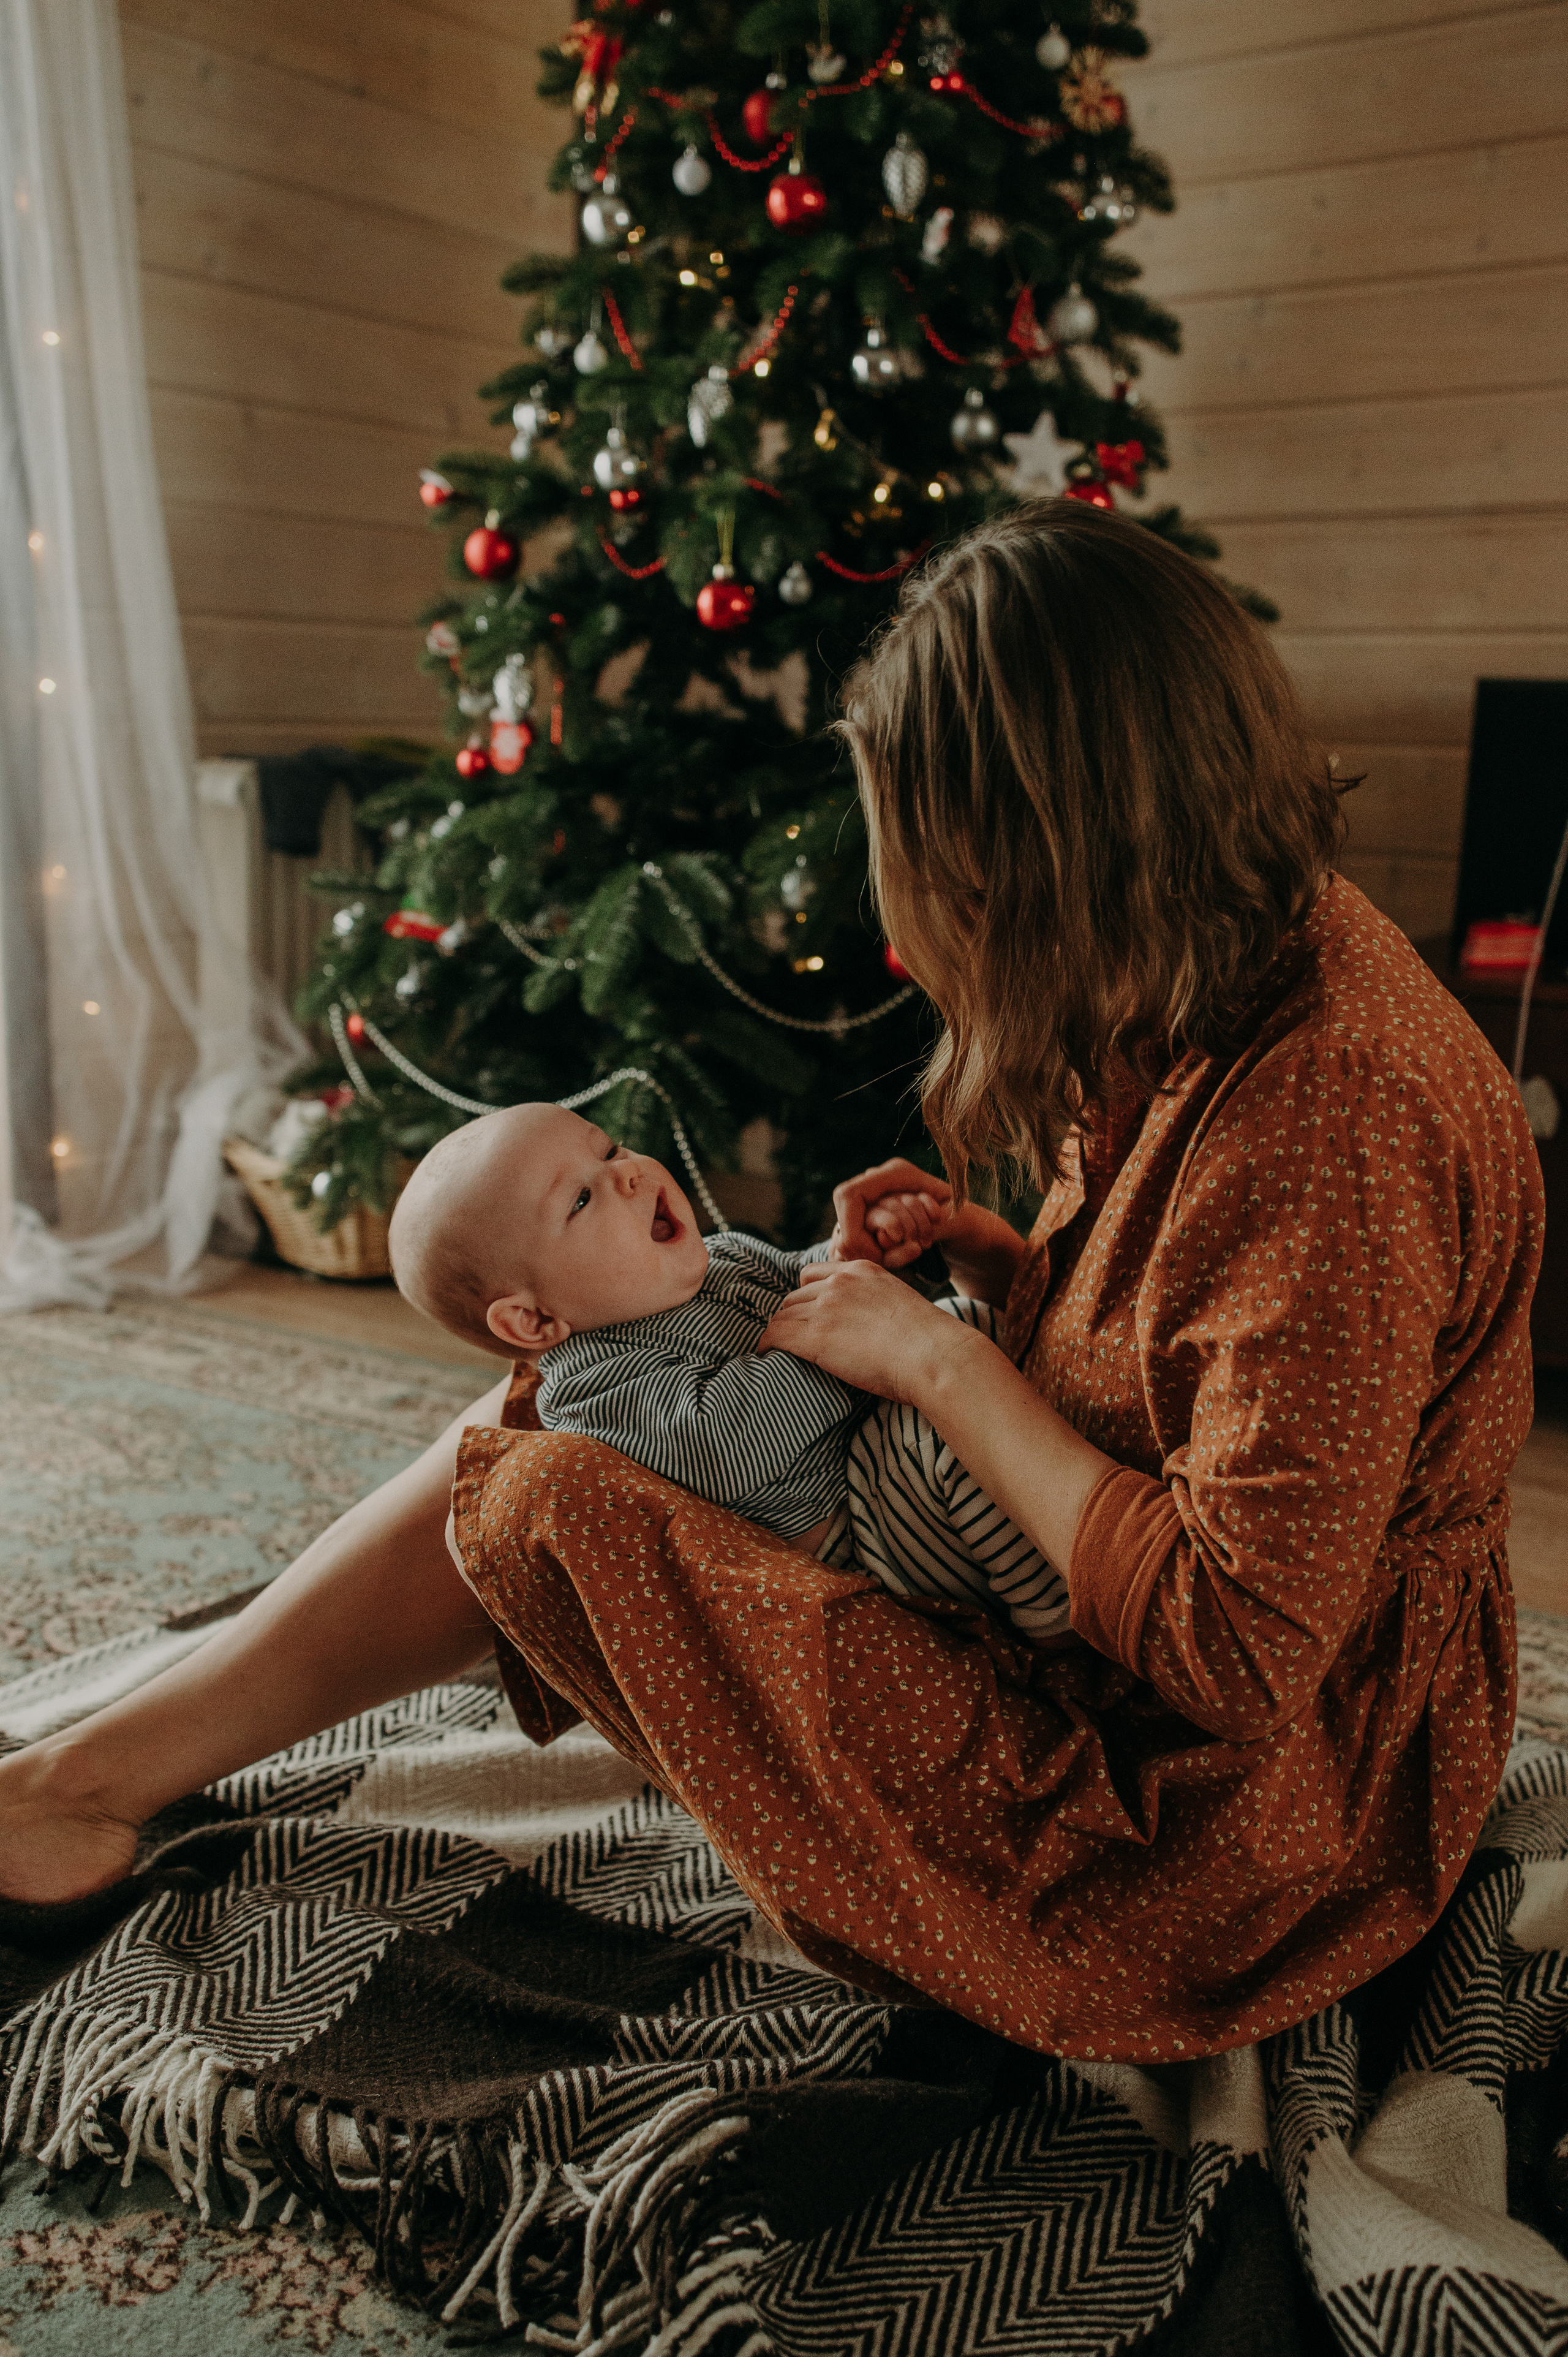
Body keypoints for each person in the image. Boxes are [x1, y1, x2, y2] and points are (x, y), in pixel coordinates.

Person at [0, 504, 1539, 2065]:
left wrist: (944, 1367)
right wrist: (1000, 1270)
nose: (907, 917)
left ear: (1037, 848)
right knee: (585, 1379)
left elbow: (1239, 1645)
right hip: (1096, 1642)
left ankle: (86, 1781)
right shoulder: (1207, 958)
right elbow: (1194, 1357)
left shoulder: (1333, 1111)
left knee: (556, 1493)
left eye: (925, 863)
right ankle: (94, 1771)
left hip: (1213, 1838)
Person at [390, 1099, 1069, 1638]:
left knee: (968, 1326)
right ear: (533, 1322)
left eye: (608, 1149)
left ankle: (1078, 1488)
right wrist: (853, 1340)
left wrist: (860, 1252)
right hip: (861, 1535)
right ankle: (1063, 1622)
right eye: (581, 1200)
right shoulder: (594, 1387)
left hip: (880, 1465)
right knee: (939, 1432)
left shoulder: (723, 1256)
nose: (627, 1173)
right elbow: (722, 1443)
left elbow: (813, 1281)